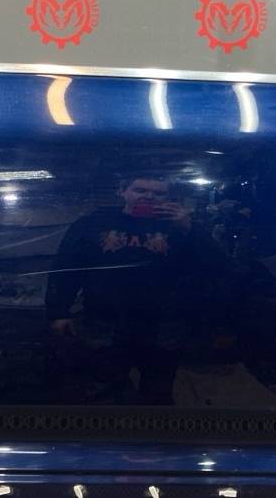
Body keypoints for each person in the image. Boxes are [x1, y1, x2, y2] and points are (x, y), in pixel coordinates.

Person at [46, 173, 234, 404]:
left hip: (164, 325)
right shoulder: (93, 224)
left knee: (158, 392)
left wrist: (190, 228)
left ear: (168, 197)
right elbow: (67, 267)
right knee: (102, 389)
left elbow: (219, 267)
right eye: (140, 190)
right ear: (123, 191)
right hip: (105, 321)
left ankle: (151, 427)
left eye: (158, 193)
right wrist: (58, 311)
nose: (149, 197)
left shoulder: (181, 227)